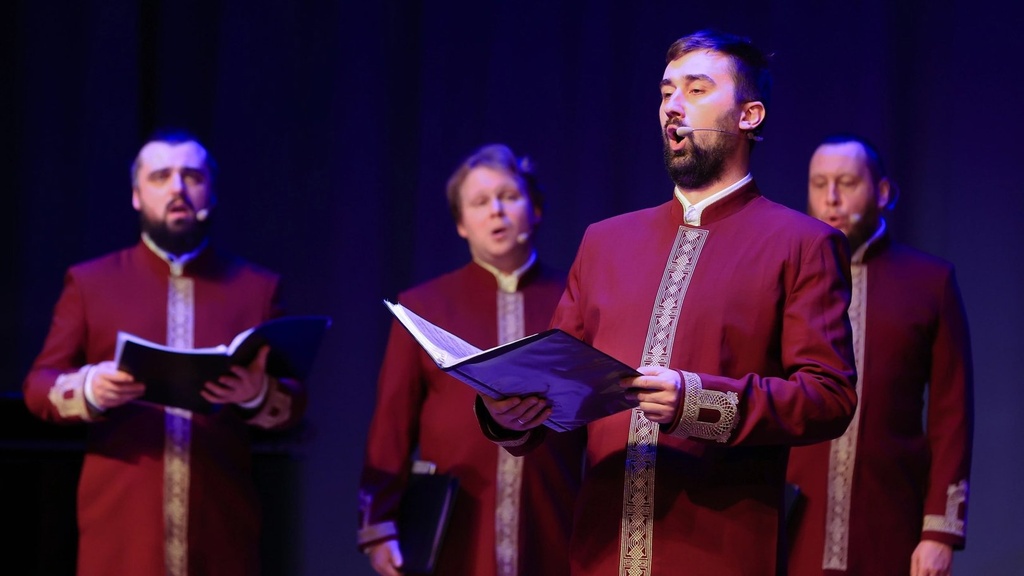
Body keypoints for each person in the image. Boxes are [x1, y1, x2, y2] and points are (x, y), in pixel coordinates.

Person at [476, 30, 859, 576]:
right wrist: (509, 413)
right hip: (601, 551)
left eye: (696, 90)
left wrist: (696, 399)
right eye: (665, 93)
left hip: (717, 552)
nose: (672, 106)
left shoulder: (801, 243)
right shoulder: (605, 242)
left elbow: (828, 397)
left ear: (749, 115)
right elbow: (559, 388)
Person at [22, 130, 306, 576]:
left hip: (221, 523)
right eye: (160, 177)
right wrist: (91, 386)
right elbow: (38, 386)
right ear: (137, 196)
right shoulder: (91, 283)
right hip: (121, 527)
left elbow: (293, 404)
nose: (177, 188)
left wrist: (255, 393)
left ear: (211, 191)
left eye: (192, 176)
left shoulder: (256, 289)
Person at [357, 144, 585, 576]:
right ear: (461, 224)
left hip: (554, 514)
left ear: (535, 209)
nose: (496, 211)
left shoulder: (574, 300)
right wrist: (379, 523)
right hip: (457, 522)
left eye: (509, 197)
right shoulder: (424, 306)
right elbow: (392, 421)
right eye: (480, 202)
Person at [786, 134, 973, 576]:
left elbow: (951, 416)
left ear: (883, 192)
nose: (831, 198)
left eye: (847, 182)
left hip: (890, 523)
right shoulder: (787, 278)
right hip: (792, 524)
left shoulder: (929, 283)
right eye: (819, 184)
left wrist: (939, 532)